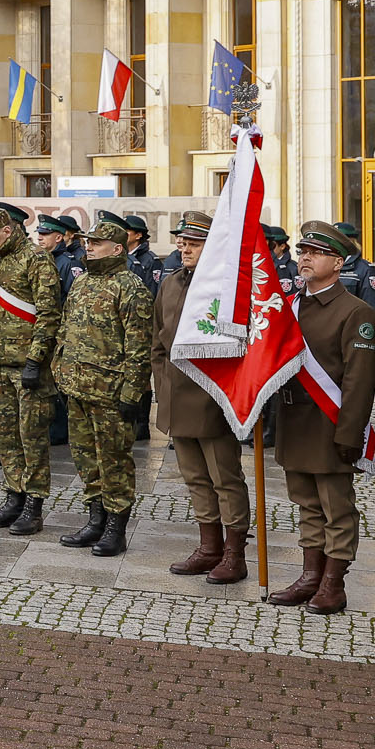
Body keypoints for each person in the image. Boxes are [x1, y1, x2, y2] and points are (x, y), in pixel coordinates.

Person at [268, 222, 375, 614]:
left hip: (330, 425)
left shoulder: (357, 313)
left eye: (315, 253)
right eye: (302, 252)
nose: (305, 259)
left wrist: (350, 434)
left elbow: (360, 381)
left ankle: (333, 584)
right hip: (294, 421)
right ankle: (309, 577)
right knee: (307, 505)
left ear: (338, 261)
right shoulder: (290, 306)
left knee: (337, 509)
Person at [150, 210, 250, 584]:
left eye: (193, 241)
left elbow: (242, 347)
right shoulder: (172, 282)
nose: (183, 245)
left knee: (225, 478)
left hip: (213, 400)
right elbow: (158, 340)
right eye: (181, 239)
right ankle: (209, 547)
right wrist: (163, 386)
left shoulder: (227, 288)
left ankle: (234, 554)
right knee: (194, 477)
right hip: (177, 396)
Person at [52, 219, 153, 557]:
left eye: (96, 242)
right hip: (78, 388)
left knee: (114, 461)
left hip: (111, 394)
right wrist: (60, 372)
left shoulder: (131, 287)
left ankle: (115, 528)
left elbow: (139, 347)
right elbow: (66, 330)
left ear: (117, 248)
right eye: (87, 242)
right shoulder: (82, 284)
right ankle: (95, 519)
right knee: (86, 459)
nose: (88, 247)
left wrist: (131, 394)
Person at [0, 204, 64, 535]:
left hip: (28, 367)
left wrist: (35, 359)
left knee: (32, 438)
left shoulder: (36, 259)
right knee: (5, 437)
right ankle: (14, 497)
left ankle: (33, 506)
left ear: (7, 231)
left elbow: (48, 313)